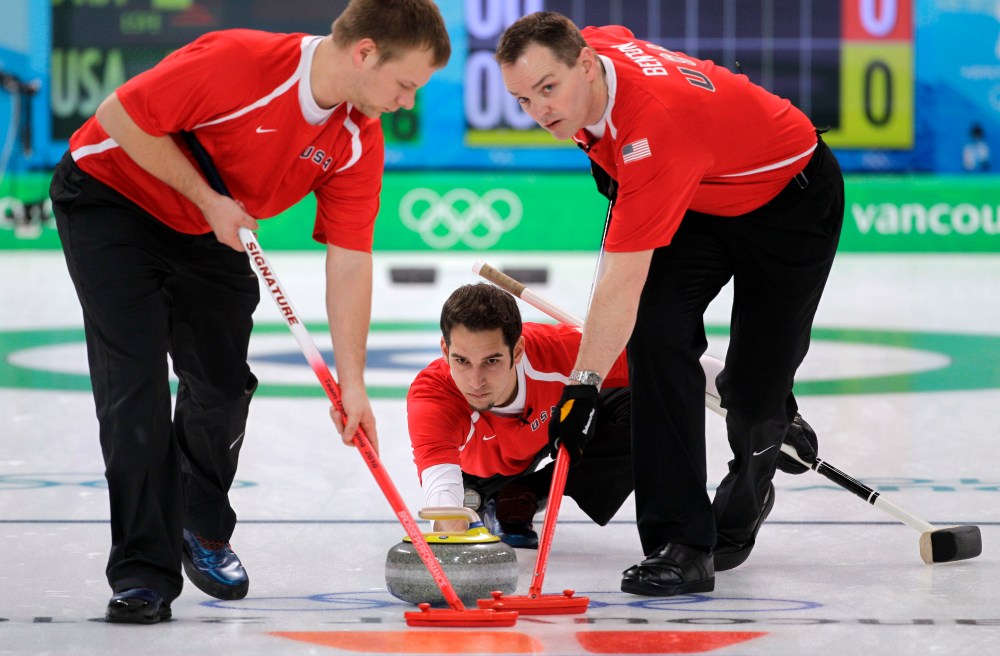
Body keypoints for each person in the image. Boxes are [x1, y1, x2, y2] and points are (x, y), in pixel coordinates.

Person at [49, 0, 450, 624]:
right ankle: (142, 573)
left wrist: (353, 383)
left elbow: (349, 259)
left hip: (210, 226)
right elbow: (118, 116)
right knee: (137, 391)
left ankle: (200, 525)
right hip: (111, 199)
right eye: (405, 84)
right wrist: (209, 201)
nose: (406, 102)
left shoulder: (355, 138)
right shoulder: (240, 62)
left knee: (223, 386)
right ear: (365, 52)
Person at [496, 12, 837, 597]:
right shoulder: (593, 52)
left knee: (753, 398)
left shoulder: (654, 131)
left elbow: (619, 281)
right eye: (522, 98)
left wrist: (583, 385)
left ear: (583, 67)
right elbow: (619, 34)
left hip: (790, 204)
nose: (539, 111)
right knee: (654, 334)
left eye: (548, 89)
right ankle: (680, 543)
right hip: (702, 198)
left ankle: (763, 441)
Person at [407, 283, 633, 549]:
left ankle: (529, 491)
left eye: (491, 361)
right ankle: (488, 499)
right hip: (481, 475)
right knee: (464, 500)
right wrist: (452, 534)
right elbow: (442, 491)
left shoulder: (561, 351)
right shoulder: (433, 396)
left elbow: (662, 368)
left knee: (650, 411)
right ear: (445, 351)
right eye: (462, 361)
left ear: (517, 351)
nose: (475, 382)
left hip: (556, 428)